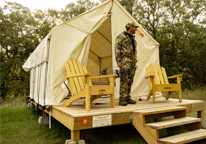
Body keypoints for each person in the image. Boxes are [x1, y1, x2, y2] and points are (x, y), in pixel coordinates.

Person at [115, 22, 138, 106]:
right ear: (130, 27)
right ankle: (122, 99)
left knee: (130, 80)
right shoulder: (121, 37)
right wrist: (118, 61)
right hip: (125, 61)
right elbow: (117, 48)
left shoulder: (133, 39)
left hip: (132, 62)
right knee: (124, 79)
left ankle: (128, 97)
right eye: (135, 27)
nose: (136, 29)